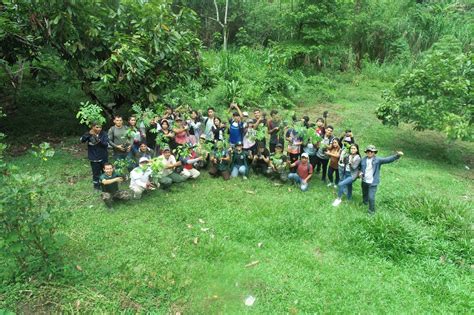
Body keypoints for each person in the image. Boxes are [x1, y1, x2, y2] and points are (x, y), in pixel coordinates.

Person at [359, 145, 404, 214]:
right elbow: (360, 168)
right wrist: (360, 173)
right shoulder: (363, 160)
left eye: (371, 151)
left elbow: (387, 159)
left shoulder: (378, 160)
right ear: (366, 152)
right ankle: (365, 203)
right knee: (365, 194)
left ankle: (371, 211)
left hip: (373, 182)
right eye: (368, 151)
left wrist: (397, 156)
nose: (370, 153)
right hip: (364, 181)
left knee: (371, 197)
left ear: (374, 152)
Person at [80, 122, 109, 190]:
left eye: (100, 127)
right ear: (92, 127)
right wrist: (89, 134)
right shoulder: (89, 133)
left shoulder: (104, 134)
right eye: (97, 127)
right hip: (94, 158)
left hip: (103, 157)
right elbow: (82, 140)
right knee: (96, 174)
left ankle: (105, 186)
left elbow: (105, 144)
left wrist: (97, 139)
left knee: (105, 172)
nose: (99, 129)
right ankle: (96, 187)